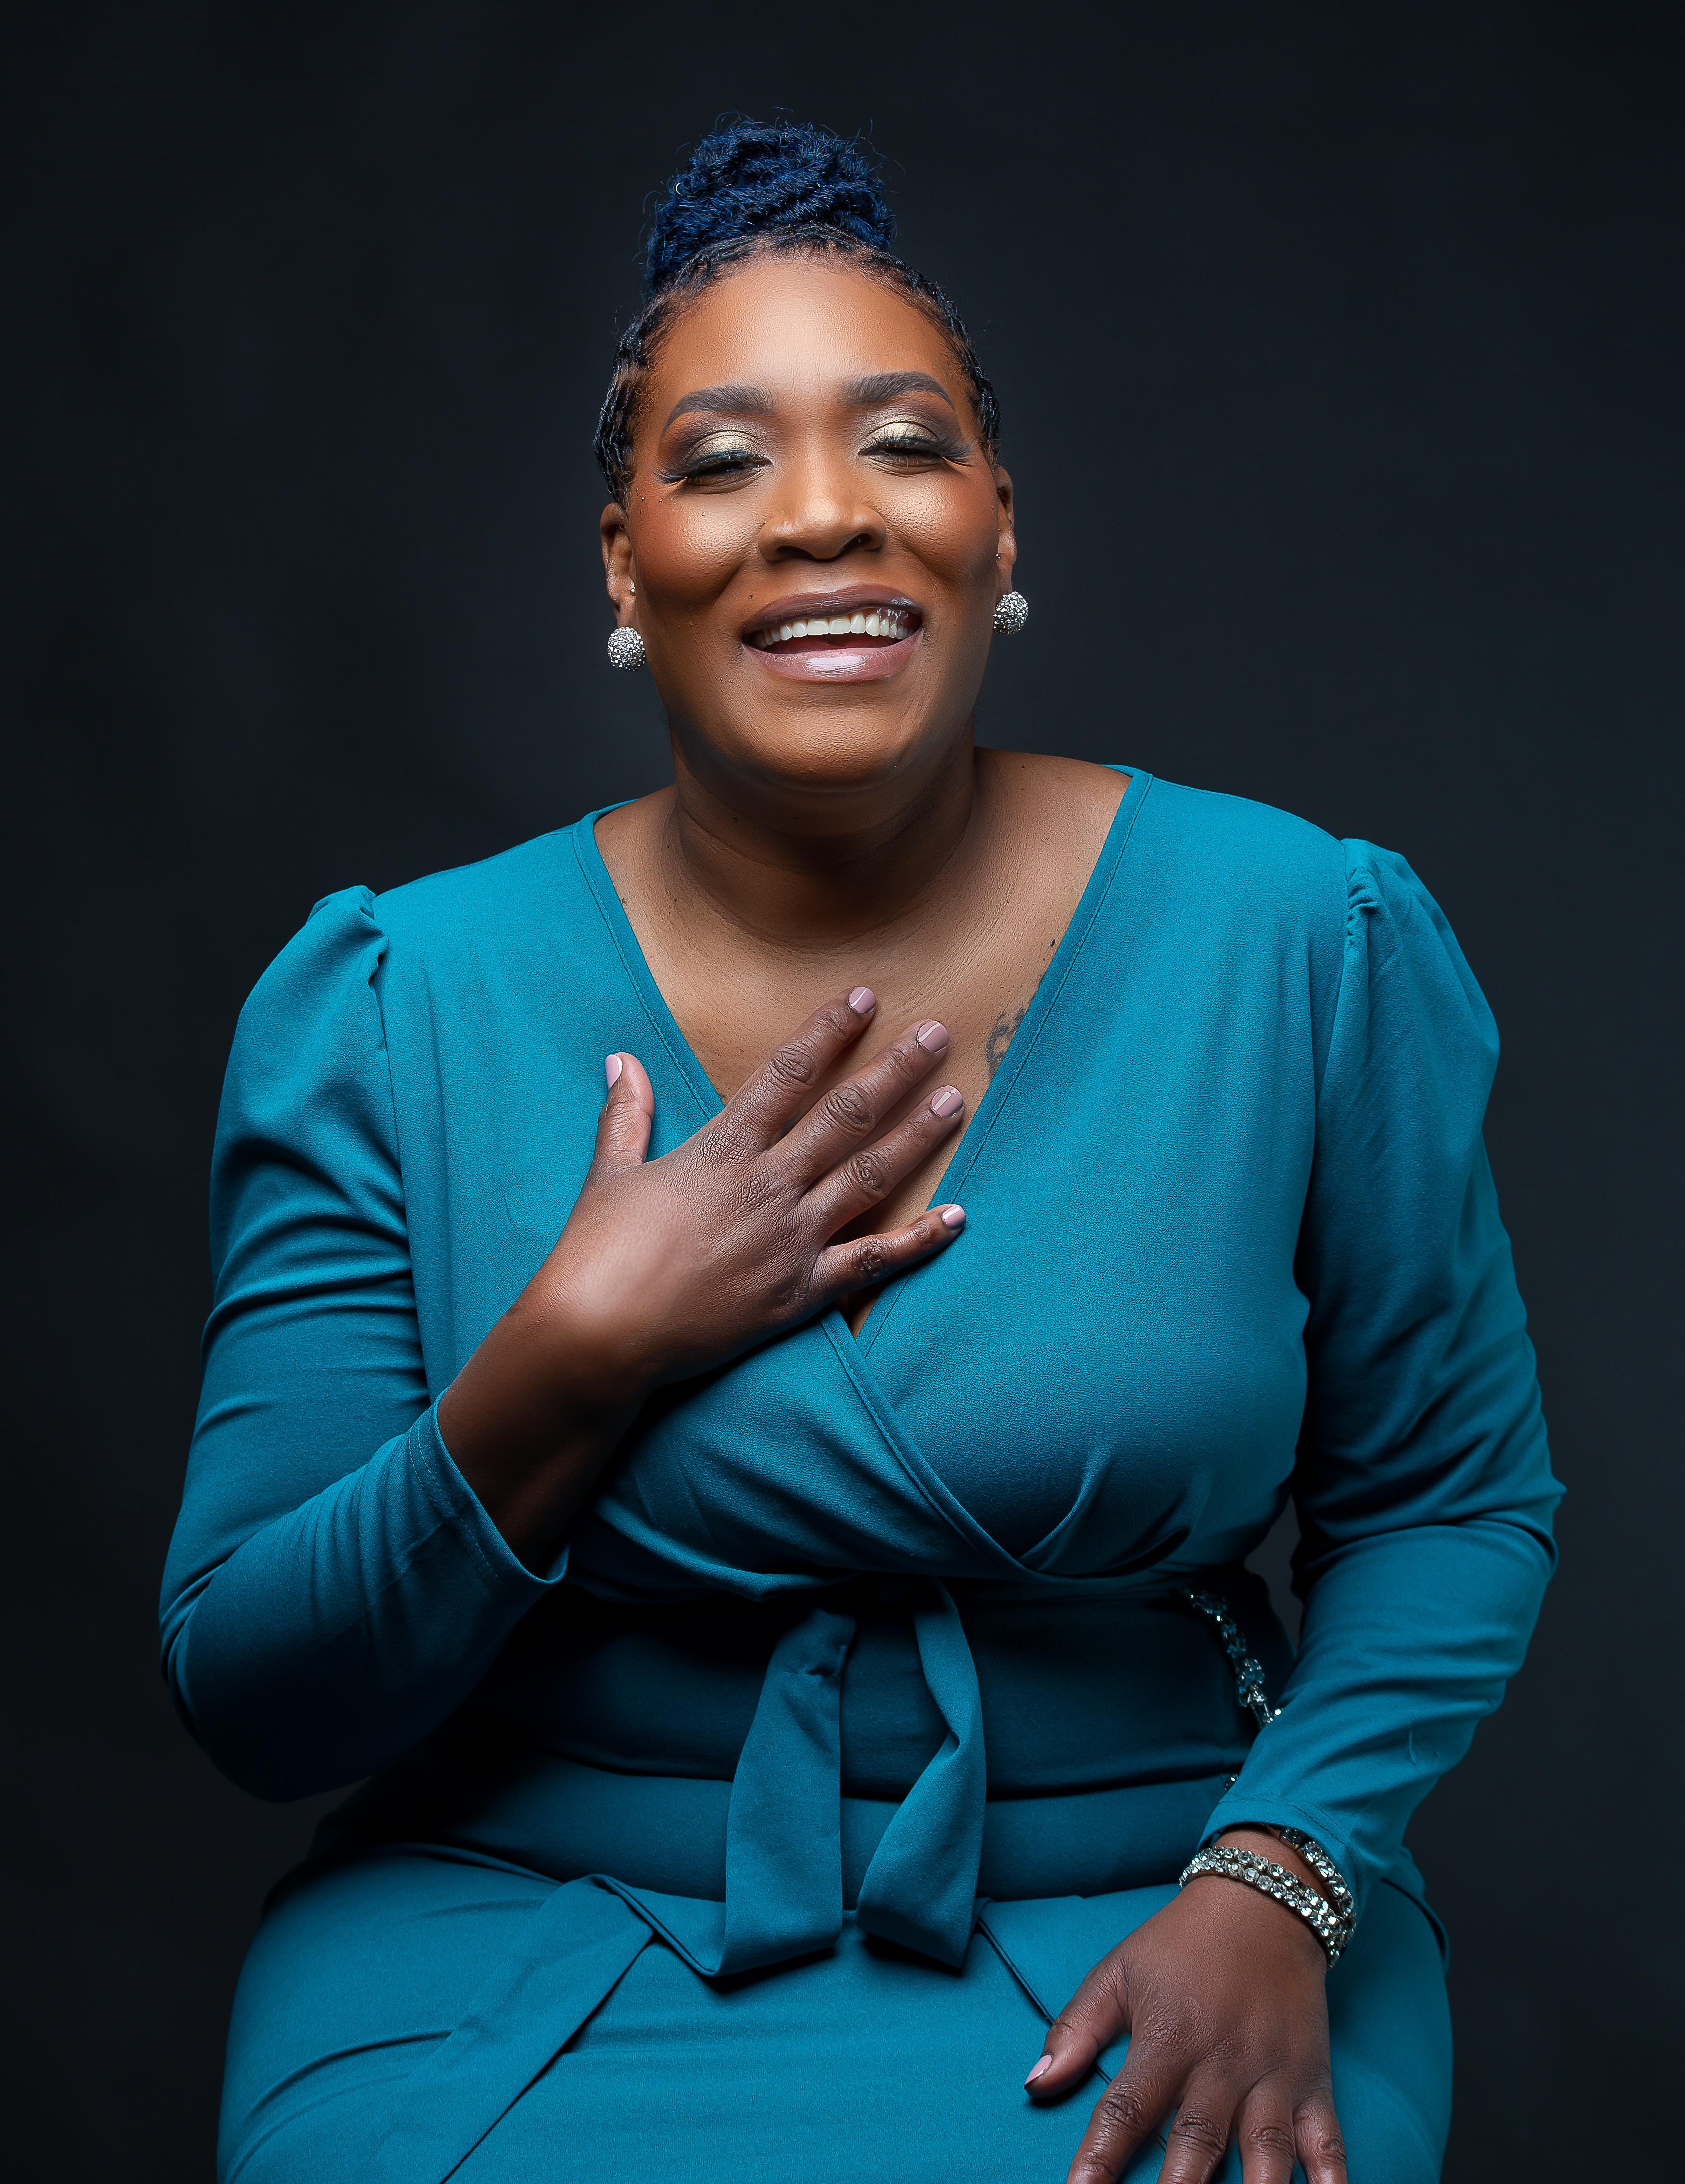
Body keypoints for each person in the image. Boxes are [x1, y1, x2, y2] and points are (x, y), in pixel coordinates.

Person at [162, 120, 1560, 2184]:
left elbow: (1453, 1497)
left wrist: (1284, 1875)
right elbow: (256, 1693)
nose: (824, 512)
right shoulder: (393, 1002)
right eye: (724, 462)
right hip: (525, 1929)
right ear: (624, 565)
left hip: (1160, 1912)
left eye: (904, 444)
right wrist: (576, 1353)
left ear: (1000, 528)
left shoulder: (1296, 939)